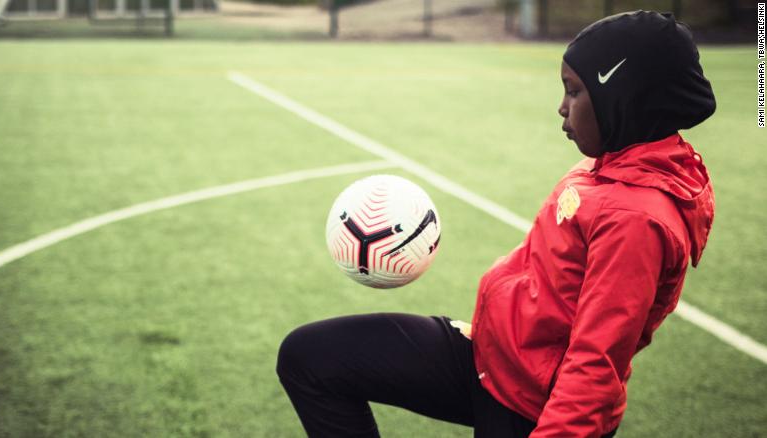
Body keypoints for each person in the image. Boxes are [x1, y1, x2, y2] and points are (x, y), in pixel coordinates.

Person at [276, 10, 716, 438]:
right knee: (311, 357)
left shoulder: (635, 219)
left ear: (624, 100)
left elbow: (596, 365)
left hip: (532, 407)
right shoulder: (609, 164)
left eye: (575, 92)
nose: (561, 107)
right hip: (490, 355)